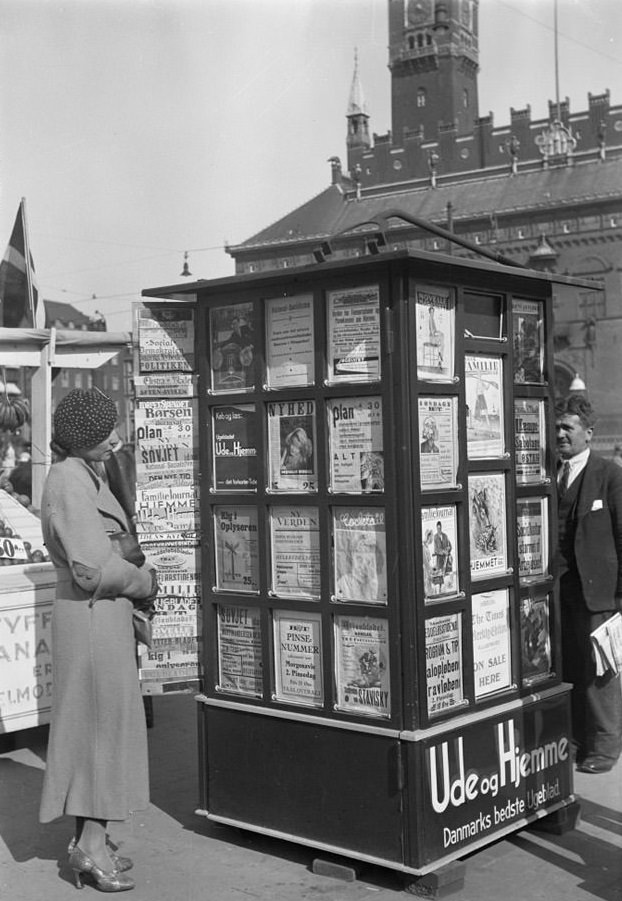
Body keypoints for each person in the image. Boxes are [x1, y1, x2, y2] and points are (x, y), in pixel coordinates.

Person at [40, 388, 158, 891]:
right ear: (78, 440)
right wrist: (144, 582)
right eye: (103, 433)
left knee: (101, 730)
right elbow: (90, 570)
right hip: (92, 619)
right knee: (97, 735)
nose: (116, 438)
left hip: (100, 620)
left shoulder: (88, 472)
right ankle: (88, 848)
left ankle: (92, 837)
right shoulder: (70, 479)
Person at [555, 394, 622, 774]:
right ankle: (578, 740)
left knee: (602, 671)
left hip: (599, 593)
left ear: (589, 433)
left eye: (569, 428)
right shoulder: (552, 473)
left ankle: (606, 747)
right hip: (560, 590)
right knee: (570, 667)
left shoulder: (609, 475)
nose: (561, 435)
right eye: (558, 428)